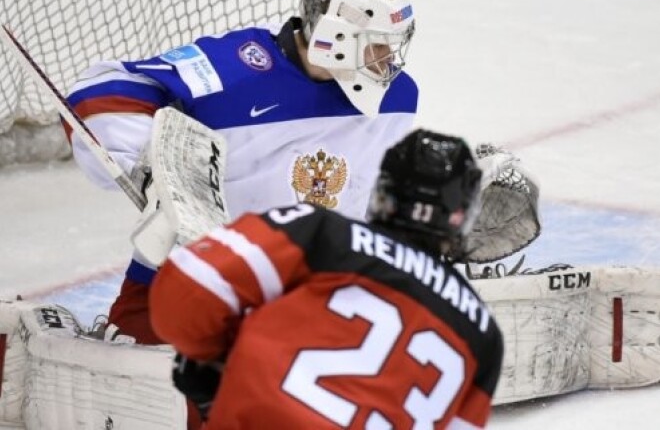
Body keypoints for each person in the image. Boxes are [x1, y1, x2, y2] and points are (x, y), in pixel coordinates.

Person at [64, 0, 417, 347]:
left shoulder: (396, 98)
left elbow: (376, 199)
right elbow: (97, 94)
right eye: (377, 43)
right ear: (336, 39)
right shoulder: (235, 71)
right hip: (192, 284)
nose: (388, 59)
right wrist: (154, 168)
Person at [149, 129, 504, 429]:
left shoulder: (322, 233)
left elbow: (188, 289)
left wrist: (216, 360)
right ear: (461, 216)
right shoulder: (483, 335)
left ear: (384, 190)